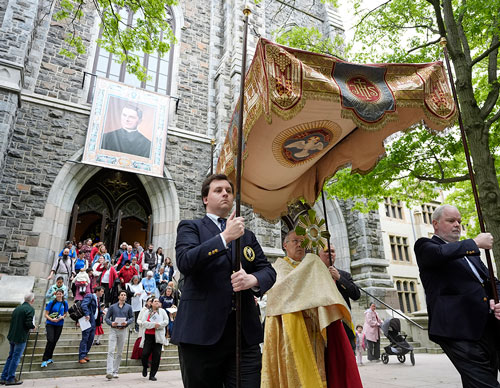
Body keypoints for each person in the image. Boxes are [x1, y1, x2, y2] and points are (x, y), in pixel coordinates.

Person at [173, 173, 276, 388]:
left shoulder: (246, 235)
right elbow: (185, 262)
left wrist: (252, 279)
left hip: (243, 335)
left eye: (229, 191)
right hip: (200, 334)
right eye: (218, 190)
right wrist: (225, 237)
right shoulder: (190, 227)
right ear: (205, 198)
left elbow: (267, 270)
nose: (225, 194)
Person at [261, 231, 362, 388]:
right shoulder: (275, 270)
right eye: (295, 241)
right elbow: (276, 297)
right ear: (285, 245)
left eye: (302, 241)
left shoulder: (314, 267)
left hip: (314, 328)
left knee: (318, 372)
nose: (299, 244)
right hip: (287, 332)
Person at [414, 204, 500, 387]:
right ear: (435, 223)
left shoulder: (470, 254)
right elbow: (439, 254)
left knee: (480, 380)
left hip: (487, 326)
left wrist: (497, 300)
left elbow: (491, 282)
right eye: (451, 220)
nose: (457, 225)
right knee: (485, 383)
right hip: (456, 330)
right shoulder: (425, 246)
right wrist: (475, 242)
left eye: (459, 221)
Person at [319, 244, 360, 351]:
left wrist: (339, 278)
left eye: (332, 251)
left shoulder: (344, 275)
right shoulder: (314, 275)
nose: (330, 254)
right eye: (327, 251)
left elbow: (356, 295)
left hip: (344, 327)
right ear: (319, 255)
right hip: (324, 326)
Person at [1, 293, 35, 386]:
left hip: (12, 336)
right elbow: (28, 323)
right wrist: (33, 326)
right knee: (15, 358)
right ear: (32, 300)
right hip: (20, 337)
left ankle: (3, 377)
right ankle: (10, 378)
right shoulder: (30, 309)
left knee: (10, 357)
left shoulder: (17, 308)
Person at [105, 290, 134, 379]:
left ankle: (115, 370)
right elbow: (106, 318)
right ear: (118, 297)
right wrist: (111, 323)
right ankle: (109, 371)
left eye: (125, 295)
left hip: (123, 330)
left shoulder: (129, 307)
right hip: (114, 329)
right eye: (121, 295)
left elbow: (132, 317)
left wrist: (127, 322)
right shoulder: (113, 307)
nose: (123, 296)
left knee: (120, 352)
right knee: (111, 350)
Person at [138, 297, 168, 381]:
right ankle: (145, 366)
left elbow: (166, 321)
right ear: (151, 303)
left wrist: (159, 325)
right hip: (148, 336)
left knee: (156, 356)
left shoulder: (162, 311)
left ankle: (152, 374)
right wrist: (153, 325)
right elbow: (144, 323)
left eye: (158, 301)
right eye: (155, 301)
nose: (157, 302)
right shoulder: (147, 312)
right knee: (145, 354)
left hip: (158, 337)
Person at [41, 290, 68, 368]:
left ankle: (49, 357)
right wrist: (51, 319)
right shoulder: (51, 303)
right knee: (50, 340)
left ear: (63, 294)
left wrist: (63, 316)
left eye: (60, 294)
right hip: (50, 323)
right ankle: (44, 359)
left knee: (54, 341)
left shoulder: (64, 303)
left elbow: (65, 313)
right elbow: (46, 314)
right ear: (55, 295)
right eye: (57, 294)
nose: (59, 295)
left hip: (59, 324)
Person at [78, 286, 105, 364]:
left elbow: (96, 309)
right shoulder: (90, 296)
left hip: (94, 321)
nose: (102, 293)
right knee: (85, 338)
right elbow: (84, 305)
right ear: (97, 291)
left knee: (91, 339)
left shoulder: (97, 299)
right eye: (101, 291)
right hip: (88, 320)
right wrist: (87, 314)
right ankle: (81, 356)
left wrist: (101, 312)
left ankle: (85, 354)